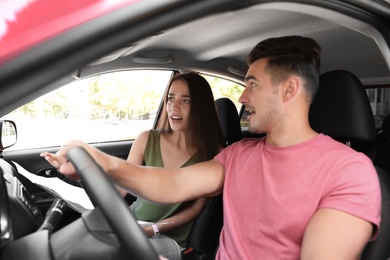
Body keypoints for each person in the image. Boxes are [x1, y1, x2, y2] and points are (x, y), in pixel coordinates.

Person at [41, 35, 381, 259]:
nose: (242, 97)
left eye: (251, 84)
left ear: (289, 90)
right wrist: (99, 160)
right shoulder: (238, 155)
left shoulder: (349, 172)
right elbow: (173, 183)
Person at [121, 72, 225, 259]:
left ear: (201, 107)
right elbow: (121, 186)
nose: (174, 107)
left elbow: (196, 209)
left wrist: (152, 229)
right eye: (170, 98)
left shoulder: (215, 155)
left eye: (186, 101)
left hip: (170, 237)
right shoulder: (147, 139)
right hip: (132, 222)